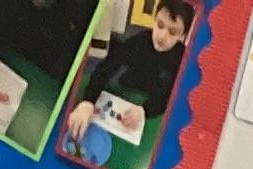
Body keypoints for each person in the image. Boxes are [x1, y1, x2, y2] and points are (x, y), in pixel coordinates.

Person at [60, 0, 193, 157]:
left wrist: (146, 110)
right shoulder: (139, 41)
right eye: (160, 25)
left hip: (152, 103)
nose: (162, 36)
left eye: (172, 32)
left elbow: (172, 93)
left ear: (182, 36)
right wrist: (88, 101)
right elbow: (105, 68)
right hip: (127, 87)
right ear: (154, 18)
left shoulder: (182, 59)